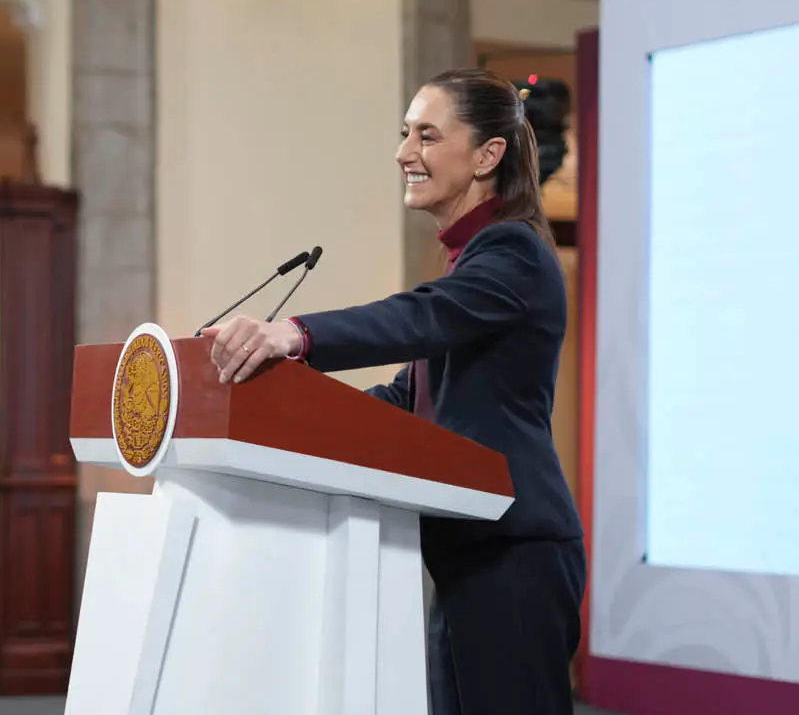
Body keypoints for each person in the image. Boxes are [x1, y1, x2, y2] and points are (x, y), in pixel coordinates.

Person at [203, 68, 586, 715]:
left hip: (515, 549)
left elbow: (417, 318)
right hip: (468, 549)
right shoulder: (473, 260)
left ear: (488, 155)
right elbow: (407, 399)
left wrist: (290, 336)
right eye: (405, 133)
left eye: (428, 136)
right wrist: (270, 404)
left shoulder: (511, 253)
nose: (405, 152)